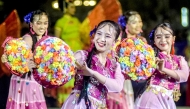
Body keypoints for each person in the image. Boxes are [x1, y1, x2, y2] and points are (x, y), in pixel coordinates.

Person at [61, 20, 124, 109]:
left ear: (114, 41)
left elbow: (117, 87)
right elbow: (61, 69)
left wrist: (93, 73)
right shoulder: (82, 56)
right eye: (99, 34)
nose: (101, 39)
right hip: (79, 104)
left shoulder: (115, 65)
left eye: (107, 36)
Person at [135, 23, 190, 109]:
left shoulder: (179, 59)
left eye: (167, 36)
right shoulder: (151, 56)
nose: (163, 40)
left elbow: (184, 76)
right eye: (158, 37)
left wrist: (163, 69)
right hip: (152, 98)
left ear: (173, 39)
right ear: (154, 40)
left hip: (167, 100)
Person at [1, 9, 48, 109]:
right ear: (31, 24)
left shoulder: (44, 39)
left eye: (45, 23)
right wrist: (28, 65)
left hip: (34, 80)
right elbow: (17, 62)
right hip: (25, 81)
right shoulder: (28, 39)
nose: (42, 26)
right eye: (39, 23)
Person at [106, 10, 146, 109]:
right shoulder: (117, 40)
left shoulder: (142, 41)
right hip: (119, 79)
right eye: (134, 22)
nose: (138, 25)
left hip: (137, 81)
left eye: (140, 21)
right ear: (125, 24)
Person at [54, 1, 84, 106]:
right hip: (67, 54)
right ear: (65, 8)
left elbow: (83, 34)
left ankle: (77, 102)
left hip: (78, 53)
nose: (74, 9)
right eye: (72, 7)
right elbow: (57, 40)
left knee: (78, 76)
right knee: (67, 76)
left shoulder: (76, 21)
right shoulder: (60, 22)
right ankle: (65, 102)